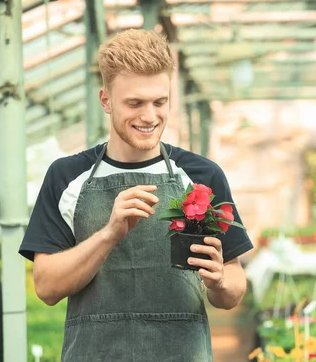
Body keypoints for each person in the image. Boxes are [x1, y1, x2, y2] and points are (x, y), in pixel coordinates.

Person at [18, 29, 254, 361]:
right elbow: (46, 287)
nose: (149, 116)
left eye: (160, 102)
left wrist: (218, 281)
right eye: (135, 103)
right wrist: (109, 234)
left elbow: (233, 287)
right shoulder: (67, 176)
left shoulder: (201, 176)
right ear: (106, 101)